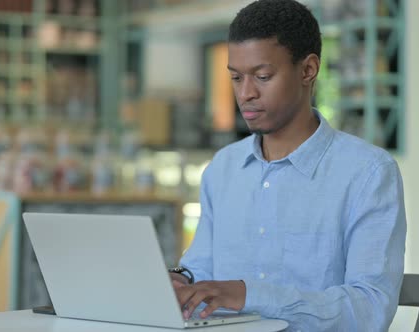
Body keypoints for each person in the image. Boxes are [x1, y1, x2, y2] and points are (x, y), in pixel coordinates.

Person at [168, 0, 406, 331]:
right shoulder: (223, 168)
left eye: (262, 76)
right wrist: (180, 281)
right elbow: (200, 270)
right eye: (236, 78)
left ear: (308, 70)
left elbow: (370, 310)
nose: (245, 93)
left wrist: (250, 294)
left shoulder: (368, 173)